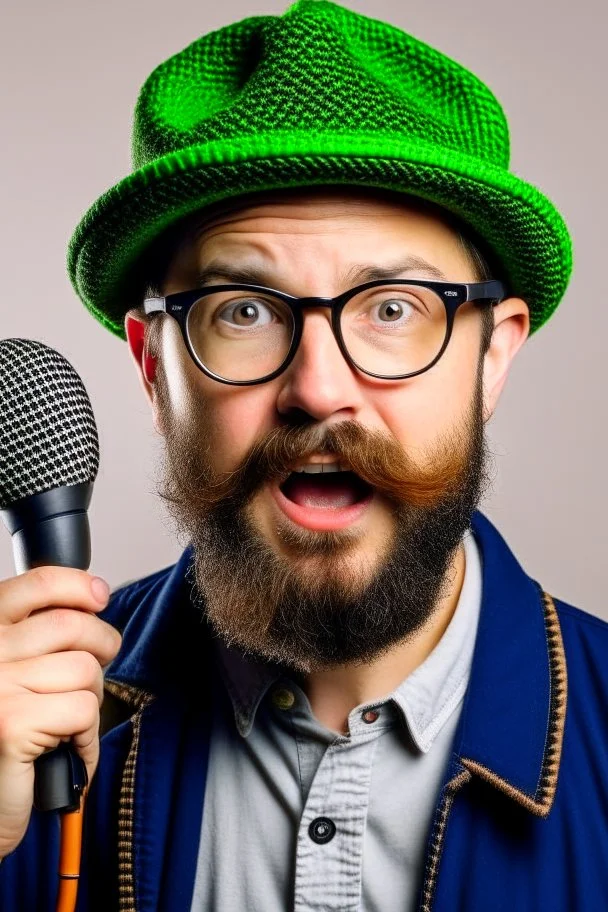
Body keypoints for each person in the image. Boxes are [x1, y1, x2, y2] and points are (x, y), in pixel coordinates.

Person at [1, 1, 607, 909]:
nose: (319, 389)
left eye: (395, 307)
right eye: (242, 310)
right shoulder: (24, 756)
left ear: (494, 355)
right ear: (152, 367)